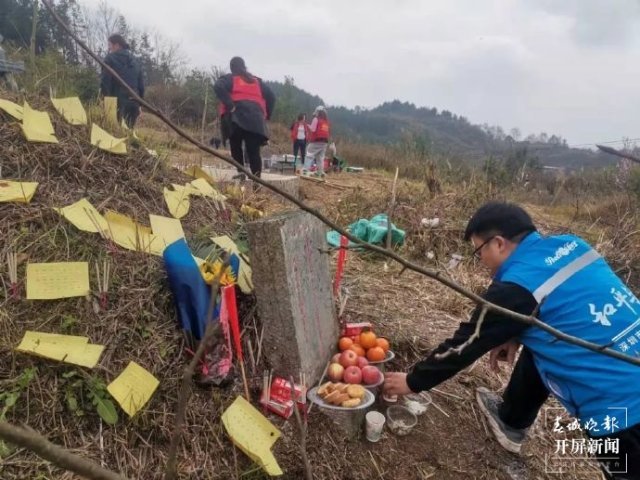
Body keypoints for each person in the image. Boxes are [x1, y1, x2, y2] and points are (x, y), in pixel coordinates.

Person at [384, 202, 640, 479]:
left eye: (478, 250)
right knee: (543, 343)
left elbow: (465, 345)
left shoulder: (515, 288)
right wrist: (516, 331)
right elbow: (566, 308)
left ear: (498, 243)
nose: (481, 261)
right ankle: (511, 421)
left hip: (622, 409)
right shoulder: (572, 245)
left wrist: (413, 382)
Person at [214, 56, 275, 179]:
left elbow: (218, 86)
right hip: (256, 120)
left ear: (232, 68)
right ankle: (257, 181)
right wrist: (267, 114)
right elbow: (272, 97)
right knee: (254, 151)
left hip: (236, 117)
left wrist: (230, 105)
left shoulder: (230, 78)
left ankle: (241, 172)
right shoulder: (257, 81)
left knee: (235, 145)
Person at [100, 34, 144, 128]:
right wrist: (140, 104)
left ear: (117, 45)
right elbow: (141, 85)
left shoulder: (109, 59)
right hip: (134, 103)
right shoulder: (136, 61)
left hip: (117, 102)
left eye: (110, 45)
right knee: (128, 133)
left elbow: (105, 81)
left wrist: (104, 99)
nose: (109, 48)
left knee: (113, 132)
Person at [304, 106, 330, 177]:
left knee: (309, 153)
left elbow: (313, 129)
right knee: (320, 158)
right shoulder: (326, 122)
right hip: (325, 142)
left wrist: (307, 125)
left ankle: (305, 171)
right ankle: (320, 172)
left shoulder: (316, 119)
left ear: (318, 112)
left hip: (317, 140)